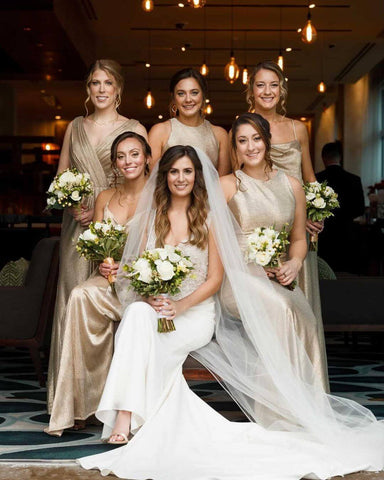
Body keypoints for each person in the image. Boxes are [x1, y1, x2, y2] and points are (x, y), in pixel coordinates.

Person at [79, 145, 384, 480]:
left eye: (187, 171)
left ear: (196, 177)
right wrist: (150, 292)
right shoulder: (151, 216)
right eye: (174, 172)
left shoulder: (209, 216)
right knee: (136, 315)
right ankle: (126, 415)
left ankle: (127, 417)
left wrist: (180, 305)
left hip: (195, 313)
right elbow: (136, 268)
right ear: (164, 176)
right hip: (158, 308)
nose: (180, 178)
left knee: (146, 337)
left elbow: (215, 279)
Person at [47, 59, 147, 412]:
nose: (101, 89)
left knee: (117, 302)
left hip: (119, 222)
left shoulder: (134, 127)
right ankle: (72, 402)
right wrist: (73, 204)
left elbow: (142, 181)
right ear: (88, 89)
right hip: (78, 226)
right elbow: (61, 176)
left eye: (107, 83)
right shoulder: (75, 126)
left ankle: (113, 400)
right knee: (74, 304)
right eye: (94, 83)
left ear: (119, 88)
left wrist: (109, 208)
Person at [220, 113, 328, 391]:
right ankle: (278, 410)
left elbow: (298, 239)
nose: (251, 146)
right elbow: (211, 241)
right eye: (242, 141)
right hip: (237, 278)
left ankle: (307, 403)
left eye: (256, 138)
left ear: (267, 142)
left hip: (277, 275)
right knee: (281, 309)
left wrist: (294, 262)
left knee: (304, 315)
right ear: (235, 147)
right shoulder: (227, 185)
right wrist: (249, 270)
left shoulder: (292, 185)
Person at [246, 60, 324, 343]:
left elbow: (309, 176)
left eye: (273, 85)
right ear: (251, 90)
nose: (267, 91)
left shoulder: (298, 128)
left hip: (298, 227)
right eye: (261, 84)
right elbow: (238, 181)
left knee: (302, 309)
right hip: (261, 232)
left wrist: (318, 211)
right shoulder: (242, 128)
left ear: (282, 90)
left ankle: (306, 378)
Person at [148, 68, 230, 175]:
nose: (188, 99)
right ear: (173, 98)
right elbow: (152, 180)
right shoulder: (159, 131)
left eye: (194, 93)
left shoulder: (220, 135)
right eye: (181, 94)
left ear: (203, 96)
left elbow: (222, 185)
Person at [316, 141, 365, 272]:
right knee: (347, 272)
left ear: (323, 158)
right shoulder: (354, 179)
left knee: (326, 273)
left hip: (324, 233)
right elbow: (360, 209)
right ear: (340, 158)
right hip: (347, 232)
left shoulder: (317, 179)